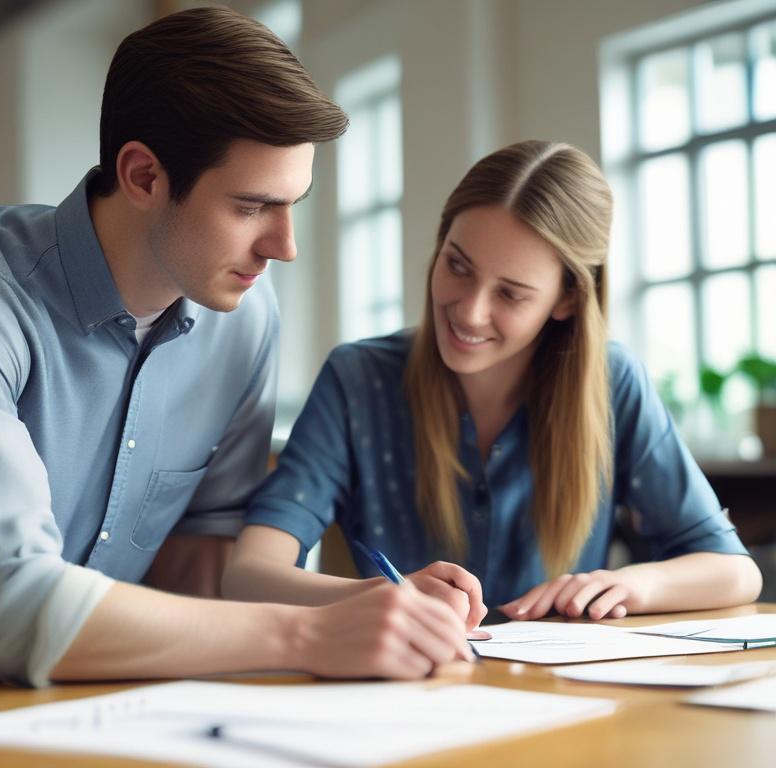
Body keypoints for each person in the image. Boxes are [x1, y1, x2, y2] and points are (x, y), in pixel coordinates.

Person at [0, 7, 474, 704]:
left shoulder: (244, 316)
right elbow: (8, 607)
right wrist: (309, 636)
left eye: (294, 204)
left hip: (89, 704)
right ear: (143, 176)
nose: (284, 246)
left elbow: (203, 566)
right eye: (252, 206)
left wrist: (367, 611)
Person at [223, 140, 762, 626]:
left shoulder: (612, 384)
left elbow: (736, 572)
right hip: (404, 698)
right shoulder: (358, 380)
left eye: (511, 293)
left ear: (568, 300)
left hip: (561, 705)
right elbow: (246, 575)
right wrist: (380, 596)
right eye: (457, 266)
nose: (470, 311)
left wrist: (628, 583)